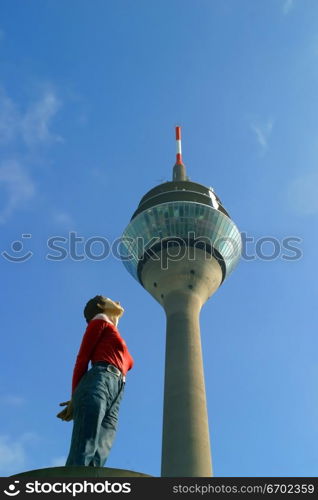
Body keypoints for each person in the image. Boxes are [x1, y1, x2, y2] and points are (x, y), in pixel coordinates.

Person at [57, 295, 134, 467]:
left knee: (101, 451)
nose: (118, 301)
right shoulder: (100, 321)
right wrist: (75, 397)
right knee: (85, 447)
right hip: (100, 380)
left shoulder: (113, 331)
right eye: (112, 300)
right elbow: (82, 359)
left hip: (117, 390)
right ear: (101, 305)